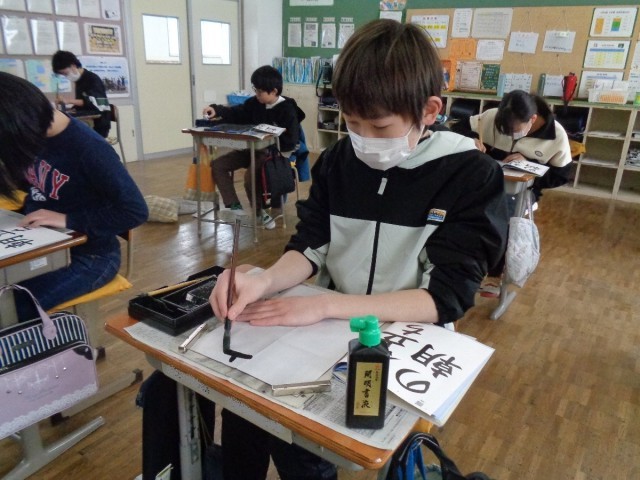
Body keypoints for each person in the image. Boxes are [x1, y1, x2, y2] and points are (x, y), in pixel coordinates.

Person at [209, 20, 509, 480]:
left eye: (380, 125)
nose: (364, 138)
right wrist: (263, 280)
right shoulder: (338, 161)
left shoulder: (469, 174)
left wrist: (326, 306)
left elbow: (445, 296)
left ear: (429, 110)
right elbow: (310, 245)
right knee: (261, 416)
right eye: (351, 123)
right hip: (326, 335)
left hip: (409, 339)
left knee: (366, 447)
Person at [0, 72, 148, 320]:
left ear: (19, 123)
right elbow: (32, 183)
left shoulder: (89, 148)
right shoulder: (33, 136)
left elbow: (135, 211)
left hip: (91, 257)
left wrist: (68, 219)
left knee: (14, 306)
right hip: (43, 243)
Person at [451, 89, 572, 297]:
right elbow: (458, 128)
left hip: (522, 190)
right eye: (503, 130)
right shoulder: (491, 117)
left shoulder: (556, 134)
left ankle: (494, 274)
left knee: (500, 219)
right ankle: (460, 266)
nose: (508, 135)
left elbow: (561, 176)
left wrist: (529, 164)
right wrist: (471, 139)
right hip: (484, 183)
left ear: (532, 119)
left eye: (513, 130)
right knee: (457, 211)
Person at [202, 65, 305, 229]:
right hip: (250, 150)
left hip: (273, 155)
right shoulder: (254, 103)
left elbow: (291, 141)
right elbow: (236, 112)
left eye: (260, 91)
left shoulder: (287, 110)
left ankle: (259, 213)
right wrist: (216, 109)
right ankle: (234, 206)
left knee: (251, 176)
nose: (256, 94)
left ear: (274, 91)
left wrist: (272, 137)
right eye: (255, 90)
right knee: (218, 165)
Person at [52, 50, 111, 138]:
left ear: (73, 66)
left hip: (99, 123)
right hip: (88, 120)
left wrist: (68, 101)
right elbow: (83, 102)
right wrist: (72, 109)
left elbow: (97, 102)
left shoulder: (92, 79)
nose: (66, 76)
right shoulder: (79, 80)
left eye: (65, 73)